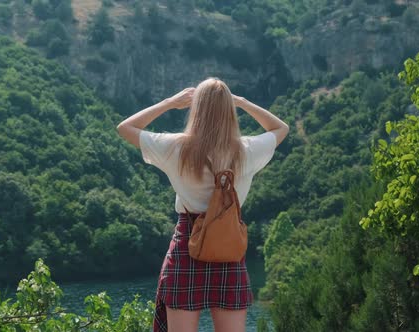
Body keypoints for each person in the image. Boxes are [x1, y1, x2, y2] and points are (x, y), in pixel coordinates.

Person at [116, 77, 289, 332]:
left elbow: (125, 127)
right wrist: (241, 102)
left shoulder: (176, 148)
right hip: (229, 245)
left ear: (196, 110)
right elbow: (280, 128)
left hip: (187, 243)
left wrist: (169, 102)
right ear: (229, 111)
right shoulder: (246, 149)